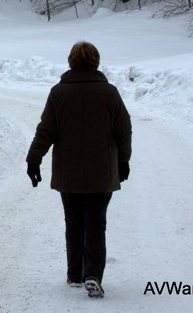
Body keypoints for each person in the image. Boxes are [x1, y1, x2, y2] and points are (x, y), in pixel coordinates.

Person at [26, 41, 131, 299]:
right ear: (95, 62)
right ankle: (92, 274)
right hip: (102, 172)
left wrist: (34, 159)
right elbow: (123, 130)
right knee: (95, 223)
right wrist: (123, 161)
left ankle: (75, 274)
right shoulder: (109, 93)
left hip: (69, 172)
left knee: (74, 223)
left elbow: (46, 130)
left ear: (71, 62)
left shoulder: (59, 93)